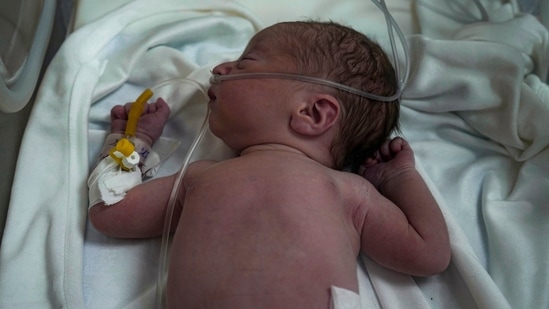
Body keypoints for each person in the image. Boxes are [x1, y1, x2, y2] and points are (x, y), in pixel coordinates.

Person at [88, 21, 451, 309]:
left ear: (311, 113)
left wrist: (399, 177)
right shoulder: (199, 175)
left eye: (245, 62)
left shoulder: (349, 191)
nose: (219, 68)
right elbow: (111, 213)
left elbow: (428, 254)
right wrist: (132, 144)